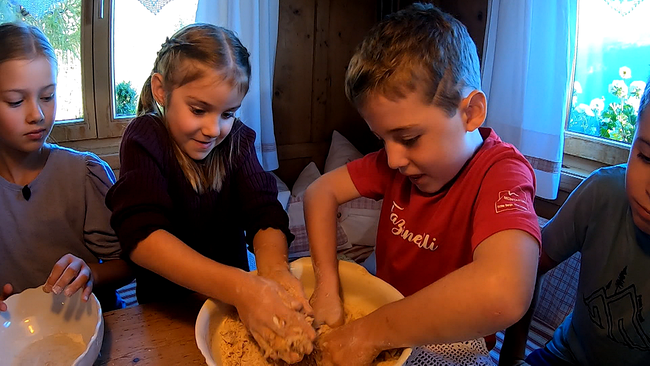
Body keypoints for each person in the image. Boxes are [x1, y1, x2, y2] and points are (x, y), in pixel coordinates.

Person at [304, 3, 542, 365]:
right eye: (382, 139)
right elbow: (319, 192)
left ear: (471, 113)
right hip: (384, 308)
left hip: (453, 341)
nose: (394, 159)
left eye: (409, 138)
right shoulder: (396, 161)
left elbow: (505, 293)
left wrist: (368, 333)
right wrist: (325, 286)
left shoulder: (502, 172)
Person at [105, 23, 315, 363]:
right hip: (169, 309)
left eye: (228, 113)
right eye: (199, 110)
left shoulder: (238, 141)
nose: (214, 129)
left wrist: (275, 272)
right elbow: (142, 237)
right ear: (161, 90)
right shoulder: (145, 137)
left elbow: (264, 210)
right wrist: (241, 287)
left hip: (231, 306)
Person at [499, 79, 650, 366]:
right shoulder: (603, 192)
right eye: (646, 156)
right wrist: (512, 357)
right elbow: (531, 264)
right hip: (565, 356)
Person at [0, 22, 133, 312]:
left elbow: (131, 263)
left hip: (96, 327)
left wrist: (91, 273)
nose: (36, 114)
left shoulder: (84, 175)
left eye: (47, 96)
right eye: (15, 101)